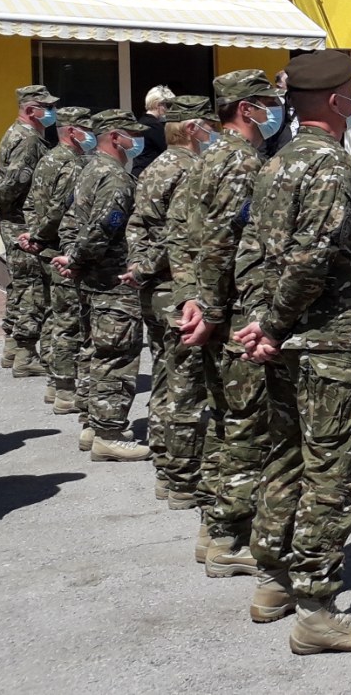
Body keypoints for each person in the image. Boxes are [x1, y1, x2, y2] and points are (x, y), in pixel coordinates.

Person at [231, 50, 351, 653]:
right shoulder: (330, 165)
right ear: (337, 100)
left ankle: (272, 580)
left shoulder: (275, 163)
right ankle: (317, 610)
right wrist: (270, 324)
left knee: (286, 458)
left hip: (285, 342)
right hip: (328, 343)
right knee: (334, 473)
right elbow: (311, 258)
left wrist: (258, 322)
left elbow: (250, 250)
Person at [175, 68, 286, 579]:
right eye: (268, 102)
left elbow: (189, 237)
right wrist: (214, 310)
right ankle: (228, 537)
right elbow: (224, 242)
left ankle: (213, 526)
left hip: (219, 305)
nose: (275, 110)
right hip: (238, 311)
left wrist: (196, 299)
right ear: (247, 108)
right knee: (245, 425)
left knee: (223, 420)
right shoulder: (240, 162)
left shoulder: (210, 156)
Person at [125, 95, 216, 505]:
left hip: (155, 287)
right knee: (187, 385)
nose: (212, 132)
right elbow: (177, 236)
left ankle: (165, 461)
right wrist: (146, 269)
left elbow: (137, 225)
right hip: (176, 288)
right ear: (193, 128)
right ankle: (181, 475)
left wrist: (138, 266)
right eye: (207, 125)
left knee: (165, 375)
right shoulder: (190, 170)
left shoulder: (155, 166)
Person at [53, 109, 150, 461]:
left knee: (95, 352)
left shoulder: (89, 169)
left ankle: (93, 425)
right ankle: (109, 433)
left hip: (92, 280)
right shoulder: (115, 178)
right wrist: (76, 259)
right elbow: (102, 229)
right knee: (116, 357)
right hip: (113, 281)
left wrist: (72, 258)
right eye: (131, 134)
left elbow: (69, 222)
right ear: (115, 137)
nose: (137, 141)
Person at [20, 107, 95, 414]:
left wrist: (34, 234)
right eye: (86, 129)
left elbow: (31, 203)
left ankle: (55, 383)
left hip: (48, 247)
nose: (92, 135)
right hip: (61, 249)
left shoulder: (49, 158)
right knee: (69, 322)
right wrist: (39, 236)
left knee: (57, 317)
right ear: (72, 132)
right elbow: (59, 209)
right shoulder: (71, 164)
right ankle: (65, 389)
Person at [0, 84, 59, 378]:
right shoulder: (28, 139)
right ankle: (25, 355)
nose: (53, 112)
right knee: (32, 287)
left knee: (20, 285)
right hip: (22, 221)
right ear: (31, 110)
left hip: (15, 218)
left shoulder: (18, 133)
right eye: (47, 107)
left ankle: (12, 348)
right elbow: (15, 181)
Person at [134, 85, 175, 176]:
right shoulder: (153, 125)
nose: (169, 110)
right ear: (158, 105)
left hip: (141, 171)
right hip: (147, 174)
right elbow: (169, 149)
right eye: (168, 105)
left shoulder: (143, 121)